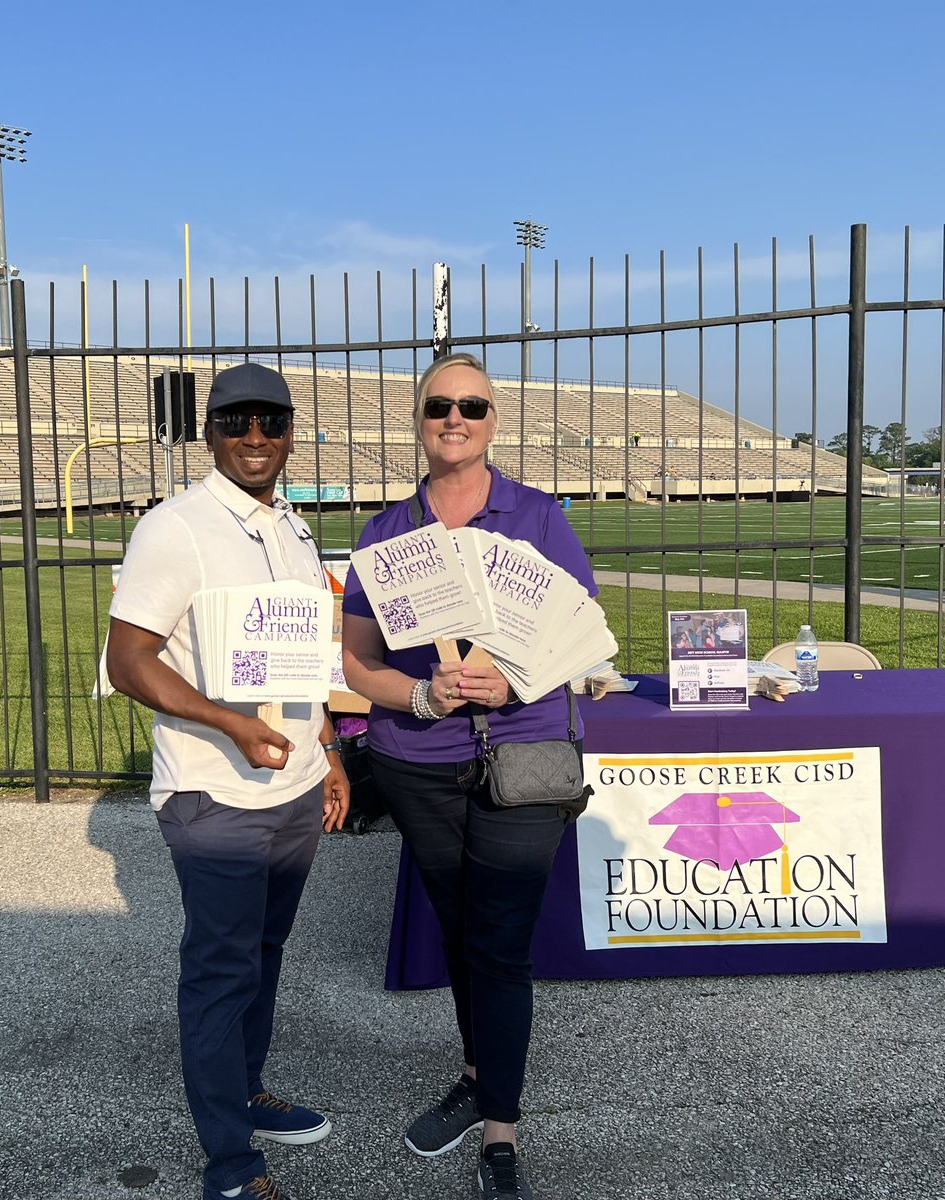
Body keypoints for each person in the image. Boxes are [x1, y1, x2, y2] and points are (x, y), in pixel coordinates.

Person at [341, 352, 598, 1200]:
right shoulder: (385, 533)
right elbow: (358, 662)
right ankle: (477, 1069)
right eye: (439, 406)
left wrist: (514, 679)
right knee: (457, 933)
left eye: (472, 407)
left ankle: (500, 1128)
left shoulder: (538, 517)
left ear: (494, 421)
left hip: (522, 760)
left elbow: (578, 637)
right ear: (418, 419)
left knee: (498, 943)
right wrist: (420, 691)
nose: (455, 418)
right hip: (418, 764)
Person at [106, 361, 350, 1200]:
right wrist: (224, 720)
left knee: (264, 956)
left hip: (292, 785)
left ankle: (247, 1091)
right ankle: (231, 1164)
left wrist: (329, 748)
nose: (255, 438)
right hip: (215, 791)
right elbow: (127, 658)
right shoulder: (174, 528)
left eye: (272, 422)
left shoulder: (291, 526)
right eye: (237, 422)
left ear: (289, 433)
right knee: (220, 970)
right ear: (208, 431)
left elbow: (306, 656)